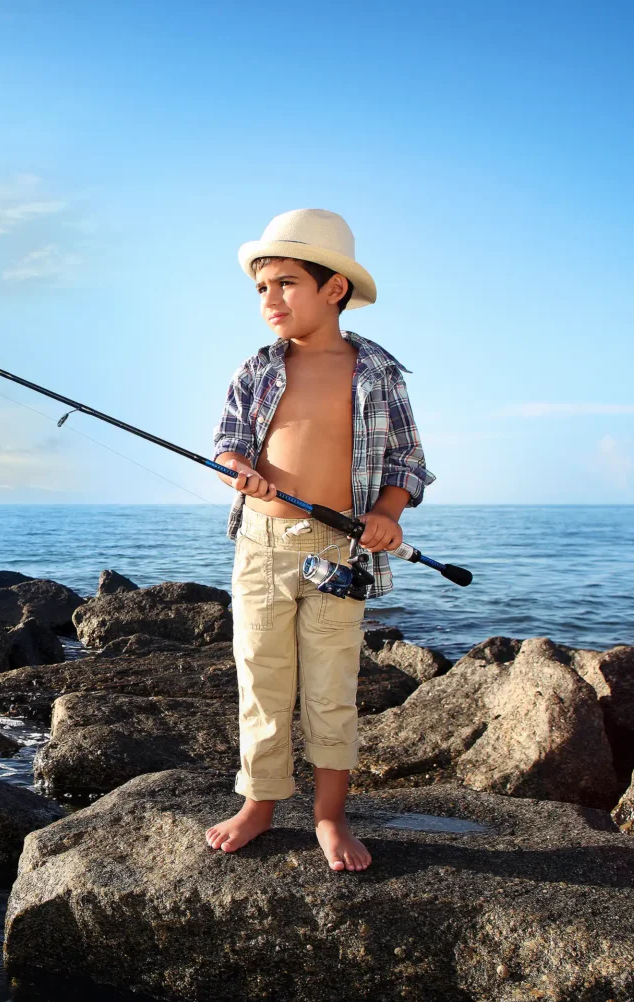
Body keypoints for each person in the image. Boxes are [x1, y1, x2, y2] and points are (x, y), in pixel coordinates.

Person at [203, 209, 435, 871]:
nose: (270, 299)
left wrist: (388, 513)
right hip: (262, 546)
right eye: (260, 289)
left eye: (285, 283)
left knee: (332, 685)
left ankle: (330, 815)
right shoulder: (257, 367)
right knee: (263, 678)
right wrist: (236, 468)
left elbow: (408, 463)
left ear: (334, 290)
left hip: (340, 552)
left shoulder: (379, 373)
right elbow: (227, 443)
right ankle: (260, 802)